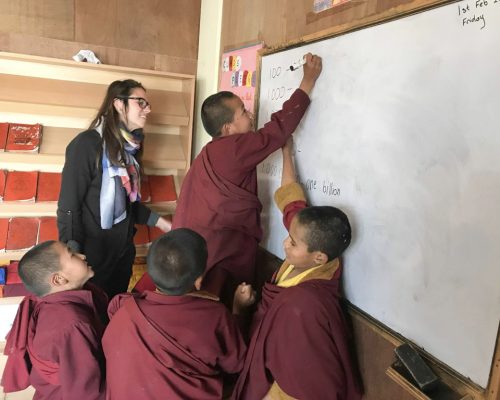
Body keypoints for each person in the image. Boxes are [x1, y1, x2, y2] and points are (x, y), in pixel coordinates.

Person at [135, 53, 323, 304]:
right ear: (228, 128)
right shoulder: (233, 149)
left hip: (195, 243)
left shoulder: (212, 150)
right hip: (216, 247)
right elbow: (276, 131)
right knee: (219, 299)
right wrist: (307, 82)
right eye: (243, 112)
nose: (250, 115)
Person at [232, 139, 363, 400]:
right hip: (261, 348)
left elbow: (304, 380)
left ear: (318, 258)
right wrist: (287, 151)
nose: (285, 243)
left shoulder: (304, 307)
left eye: (293, 243)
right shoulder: (312, 247)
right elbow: (291, 202)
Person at [102, 228, 254, 400]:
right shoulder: (214, 317)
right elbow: (237, 363)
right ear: (198, 281)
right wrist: (238, 309)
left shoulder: (125, 308)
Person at [57, 79, 171, 299]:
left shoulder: (129, 148)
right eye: (141, 102)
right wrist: (73, 256)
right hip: (91, 258)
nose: (148, 109)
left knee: (113, 310)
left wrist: (164, 224)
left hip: (121, 253)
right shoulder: (86, 145)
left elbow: (128, 205)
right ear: (119, 104)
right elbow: (68, 207)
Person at [1, 240, 107, 400]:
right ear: (58, 280)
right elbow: (86, 392)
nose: (82, 256)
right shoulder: (72, 325)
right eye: (72, 255)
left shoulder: (51, 299)